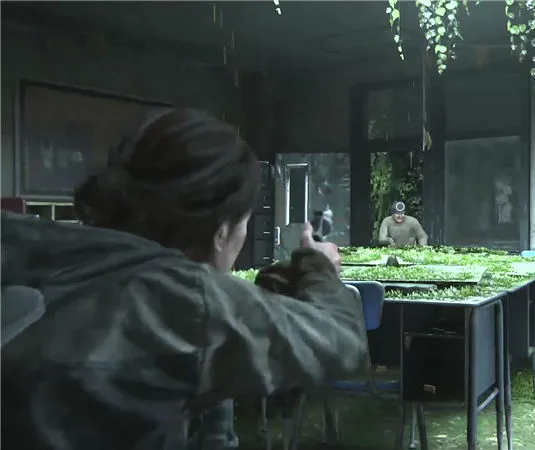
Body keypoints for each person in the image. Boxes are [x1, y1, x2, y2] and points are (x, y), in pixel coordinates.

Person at [0, 109, 367, 450]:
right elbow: (339, 340)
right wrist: (317, 265)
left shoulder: (34, 254)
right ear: (221, 232)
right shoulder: (180, 301)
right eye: (243, 224)